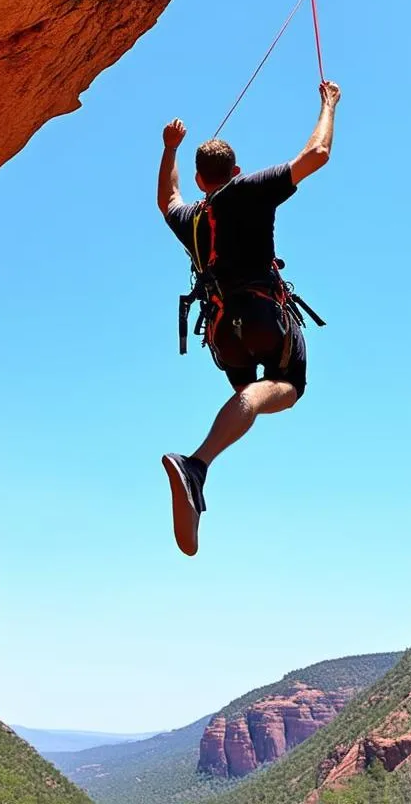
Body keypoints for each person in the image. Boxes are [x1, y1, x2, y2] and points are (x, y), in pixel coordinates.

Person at [156, 80, 341, 555]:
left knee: (247, 394)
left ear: (201, 179)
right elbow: (317, 153)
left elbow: (167, 198)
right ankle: (195, 466)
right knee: (287, 388)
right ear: (233, 171)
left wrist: (170, 148)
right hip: (263, 316)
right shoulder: (249, 189)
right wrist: (328, 103)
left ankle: (199, 472)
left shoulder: (190, 217)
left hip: (223, 335)